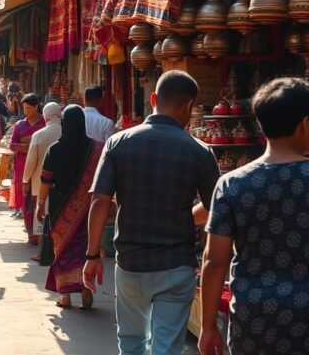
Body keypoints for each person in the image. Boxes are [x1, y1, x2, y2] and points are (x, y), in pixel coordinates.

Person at [198, 78, 309, 355]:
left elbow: (214, 262)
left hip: (254, 320)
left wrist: (207, 326)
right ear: (304, 124)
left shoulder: (232, 184)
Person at [84, 71, 220, 355]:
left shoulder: (118, 143)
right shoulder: (201, 152)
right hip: (176, 265)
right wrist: (185, 218)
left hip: (131, 264)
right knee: (167, 347)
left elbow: (100, 201)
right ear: (189, 106)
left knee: (131, 343)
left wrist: (92, 255)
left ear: (154, 99)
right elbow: (213, 210)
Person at [37, 105, 103, 310]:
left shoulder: (55, 149)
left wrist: (40, 204)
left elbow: (46, 181)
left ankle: (65, 296)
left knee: (62, 249)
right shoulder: (97, 148)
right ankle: (86, 290)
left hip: (59, 207)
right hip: (88, 208)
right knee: (85, 248)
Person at [22, 103, 62, 245]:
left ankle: (43, 247)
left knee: (41, 211)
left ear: (46, 116)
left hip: (40, 181)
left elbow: (31, 161)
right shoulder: (66, 132)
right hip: (62, 182)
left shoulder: (39, 135)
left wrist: (25, 179)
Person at [10, 94, 46, 227]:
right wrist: (23, 147)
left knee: (39, 196)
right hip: (22, 165)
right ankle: (30, 229)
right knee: (26, 198)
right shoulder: (19, 125)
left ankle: (40, 227)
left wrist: (30, 141)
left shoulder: (44, 123)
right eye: (25, 108)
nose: (26, 111)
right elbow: (12, 145)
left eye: (29, 108)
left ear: (36, 107)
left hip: (40, 165)